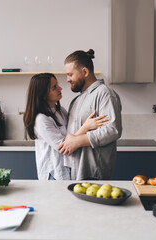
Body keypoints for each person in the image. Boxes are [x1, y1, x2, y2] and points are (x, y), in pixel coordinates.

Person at [23, 73, 109, 180]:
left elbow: (71, 135)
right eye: (54, 87)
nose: (60, 88)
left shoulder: (61, 111)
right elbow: (64, 147)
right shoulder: (41, 119)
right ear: (43, 94)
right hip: (53, 173)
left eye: (57, 85)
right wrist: (85, 127)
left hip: (67, 170)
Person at [58, 49, 122, 180]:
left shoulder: (104, 94)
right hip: (76, 170)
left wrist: (79, 140)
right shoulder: (78, 99)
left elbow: (113, 129)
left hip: (93, 172)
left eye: (70, 74)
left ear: (85, 72)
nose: (67, 79)